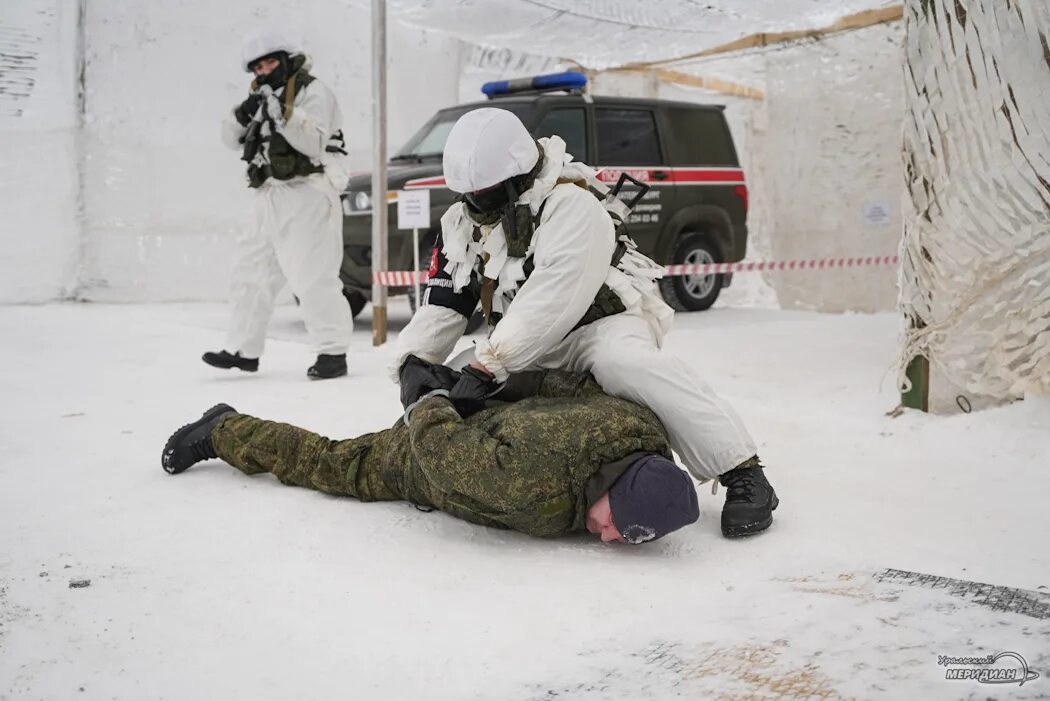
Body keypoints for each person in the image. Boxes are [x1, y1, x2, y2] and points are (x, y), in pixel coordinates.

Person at [392, 108, 779, 537]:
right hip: (524, 342)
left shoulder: (570, 205)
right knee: (447, 377)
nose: (475, 202)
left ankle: (741, 470)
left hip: (600, 326)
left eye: (485, 192)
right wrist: (413, 362)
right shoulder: (465, 223)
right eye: (470, 193)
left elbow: (553, 298)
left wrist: (488, 365)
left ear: (517, 176)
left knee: (626, 363)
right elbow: (446, 300)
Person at [161, 361, 700, 544]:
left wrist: (490, 390)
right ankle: (224, 429)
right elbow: (442, 451)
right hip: (430, 452)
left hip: (495, 417)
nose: (607, 539)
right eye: (614, 527)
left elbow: (572, 386)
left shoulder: (639, 429)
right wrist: (430, 398)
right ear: (619, 487)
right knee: (328, 462)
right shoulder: (536, 494)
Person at [203, 29, 352, 380]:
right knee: (251, 271)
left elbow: (314, 142)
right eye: (257, 67)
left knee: (312, 274)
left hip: (308, 191)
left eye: (270, 62)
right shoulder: (260, 97)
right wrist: (244, 113)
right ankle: (243, 349)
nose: (264, 71)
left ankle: (332, 352)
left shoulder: (313, 92)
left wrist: (282, 113)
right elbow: (229, 138)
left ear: (286, 60)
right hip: (269, 194)